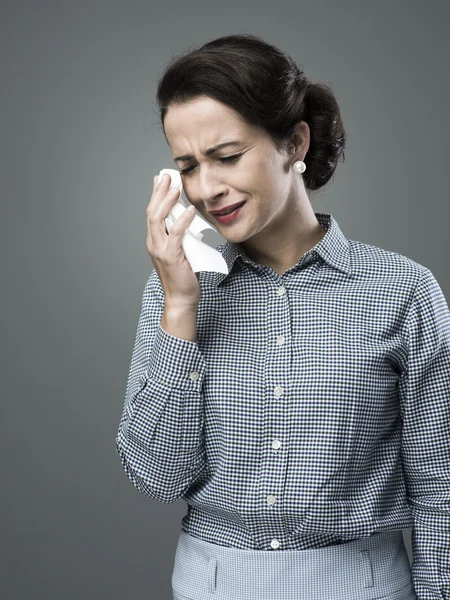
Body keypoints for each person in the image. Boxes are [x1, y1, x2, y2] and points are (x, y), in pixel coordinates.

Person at [115, 33, 450, 600]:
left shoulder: (402, 290)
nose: (206, 189)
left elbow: (440, 485)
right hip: (213, 585)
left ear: (294, 143)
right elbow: (158, 475)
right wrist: (180, 306)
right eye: (188, 166)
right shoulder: (176, 291)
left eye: (226, 157)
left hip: (364, 585)